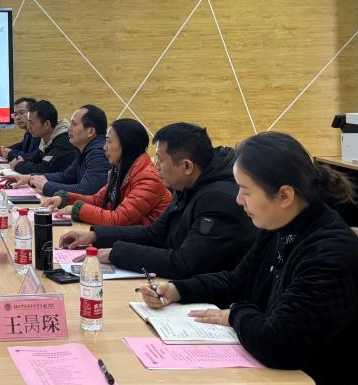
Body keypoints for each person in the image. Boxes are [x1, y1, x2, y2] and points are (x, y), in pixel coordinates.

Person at [139, 132, 358, 385]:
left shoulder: (328, 254)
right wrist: (179, 289)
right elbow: (237, 281)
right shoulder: (282, 226)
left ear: (284, 196)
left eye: (246, 191)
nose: (238, 200)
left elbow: (277, 343)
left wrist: (235, 314)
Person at [59, 122, 255, 277]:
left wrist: (116, 253)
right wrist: (96, 236)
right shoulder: (188, 184)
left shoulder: (219, 199)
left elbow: (184, 263)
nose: (156, 166)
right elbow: (155, 233)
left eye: (160, 160)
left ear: (187, 166)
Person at [41, 118, 170, 226]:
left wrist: (78, 209)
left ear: (126, 145)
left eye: (108, 142)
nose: (104, 148)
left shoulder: (148, 178)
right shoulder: (120, 169)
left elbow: (118, 219)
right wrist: (64, 198)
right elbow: (98, 200)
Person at [14, 105, 109, 197]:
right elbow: (66, 176)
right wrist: (31, 178)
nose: (69, 128)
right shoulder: (83, 149)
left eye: (74, 124)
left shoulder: (99, 153)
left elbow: (86, 191)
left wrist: (47, 186)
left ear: (90, 132)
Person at [9, 100, 77, 175]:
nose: (28, 127)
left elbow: (45, 169)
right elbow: (34, 158)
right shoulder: (45, 137)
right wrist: (20, 160)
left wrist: (19, 165)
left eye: (31, 122)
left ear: (47, 124)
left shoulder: (64, 141)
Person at [0, 97, 38, 162]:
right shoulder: (28, 133)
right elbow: (22, 146)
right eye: (15, 114)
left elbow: (33, 158)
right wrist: (5, 149)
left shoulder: (40, 133)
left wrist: (10, 153)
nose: (17, 118)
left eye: (21, 113)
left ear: (33, 113)